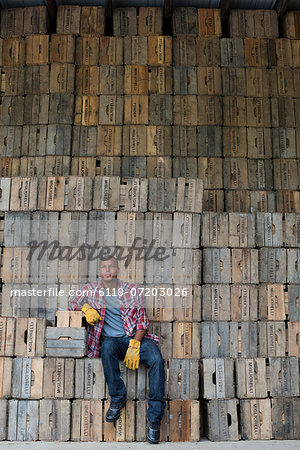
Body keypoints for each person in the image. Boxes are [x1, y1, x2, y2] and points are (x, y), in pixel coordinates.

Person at [68, 255, 166, 444]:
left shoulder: (132, 290)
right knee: (107, 347)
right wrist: (85, 309)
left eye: (111, 267)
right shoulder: (91, 289)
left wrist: (135, 344)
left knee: (156, 359)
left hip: (134, 338)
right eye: (103, 267)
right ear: (99, 271)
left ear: (117, 270)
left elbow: (143, 322)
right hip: (112, 341)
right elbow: (71, 303)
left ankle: (154, 420)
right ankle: (118, 397)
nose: (107, 270)